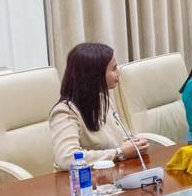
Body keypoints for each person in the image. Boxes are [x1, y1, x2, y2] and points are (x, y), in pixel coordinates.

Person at [49, 42, 149, 170]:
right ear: (95, 74)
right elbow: (67, 158)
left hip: (111, 175)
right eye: (114, 68)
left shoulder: (102, 99)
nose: (119, 72)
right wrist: (119, 153)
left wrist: (133, 144)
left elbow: (119, 139)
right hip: (81, 180)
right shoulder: (65, 112)